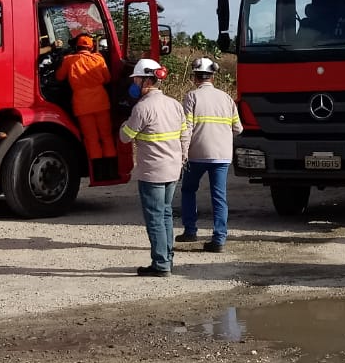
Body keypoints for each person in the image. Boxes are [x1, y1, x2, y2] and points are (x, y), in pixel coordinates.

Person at [120, 58, 190, 276]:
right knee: (166, 214)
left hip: (153, 172)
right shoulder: (174, 104)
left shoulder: (142, 108)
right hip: (173, 170)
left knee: (155, 218)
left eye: (136, 79)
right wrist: (182, 158)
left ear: (145, 80)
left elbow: (124, 137)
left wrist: (124, 123)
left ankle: (160, 265)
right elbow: (185, 134)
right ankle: (168, 259)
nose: (134, 83)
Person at [179, 56, 243, 252]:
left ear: (195, 77)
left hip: (197, 153)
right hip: (222, 155)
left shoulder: (192, 97)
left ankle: (190, 231)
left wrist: (183, 153)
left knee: (188, 190)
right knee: (219, 196)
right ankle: (219, 239)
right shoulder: (226, 98)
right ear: (212, 77)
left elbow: (187, 127)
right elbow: (238, 128)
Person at [55, 33, 117, 181]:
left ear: (77, 47)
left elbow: (59, 77)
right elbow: (108, 78)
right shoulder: (98, 59)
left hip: (82, 104)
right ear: (91, 46)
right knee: (106, 136)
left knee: (91, 138)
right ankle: (111, 172)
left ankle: (98, 174)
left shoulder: (69, 60)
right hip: (101, 102)